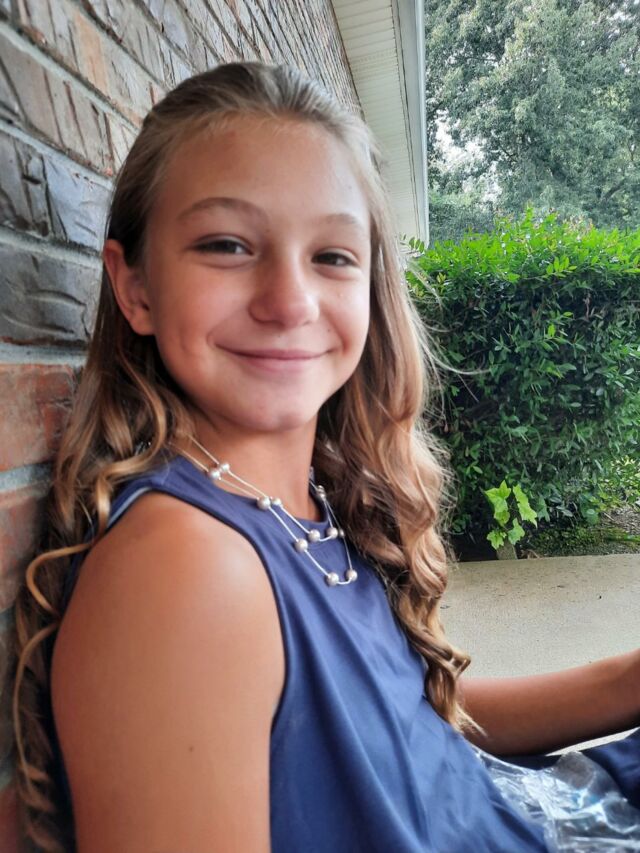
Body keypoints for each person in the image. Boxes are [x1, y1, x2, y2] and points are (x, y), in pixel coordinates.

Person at [10, 61, 639, 853]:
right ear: (135, 288)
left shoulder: (306, 502)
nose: (290, 301)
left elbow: (411, 734)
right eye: (227, 245)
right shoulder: (186, 570)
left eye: (333, 256)